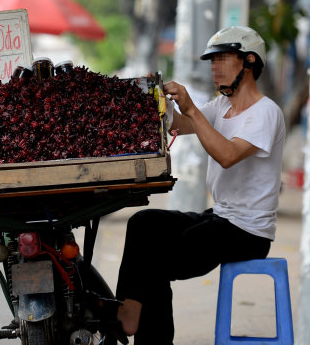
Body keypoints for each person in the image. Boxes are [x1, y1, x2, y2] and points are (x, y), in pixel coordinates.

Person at [114, 25, 286, 344]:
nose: (214, 68)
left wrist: (192, 108)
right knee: (144, 223)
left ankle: (132, 316)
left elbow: (227, 154)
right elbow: (181, 124)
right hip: (221, 217)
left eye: (221, 59)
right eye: (211, 61)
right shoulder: (222, 107)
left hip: (247, 232)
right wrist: (160, 104)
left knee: (154, 263)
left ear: (249, 61)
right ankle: (130, 308)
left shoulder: (265, 113)